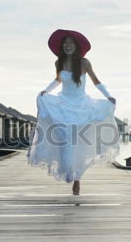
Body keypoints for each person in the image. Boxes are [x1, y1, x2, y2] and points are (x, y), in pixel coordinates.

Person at [27, 29, 120, 195]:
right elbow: (58, 80)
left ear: (76, 46)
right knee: (64, 138)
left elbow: (96, 82)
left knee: (78, 142)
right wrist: (46, 91)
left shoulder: (84, 63)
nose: (67, 45)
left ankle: (77, 178)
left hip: (81, 105)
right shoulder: (59, 63)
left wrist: (108, 96)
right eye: (65, 43)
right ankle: (67, 169)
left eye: (70, 42)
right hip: (63, 104)